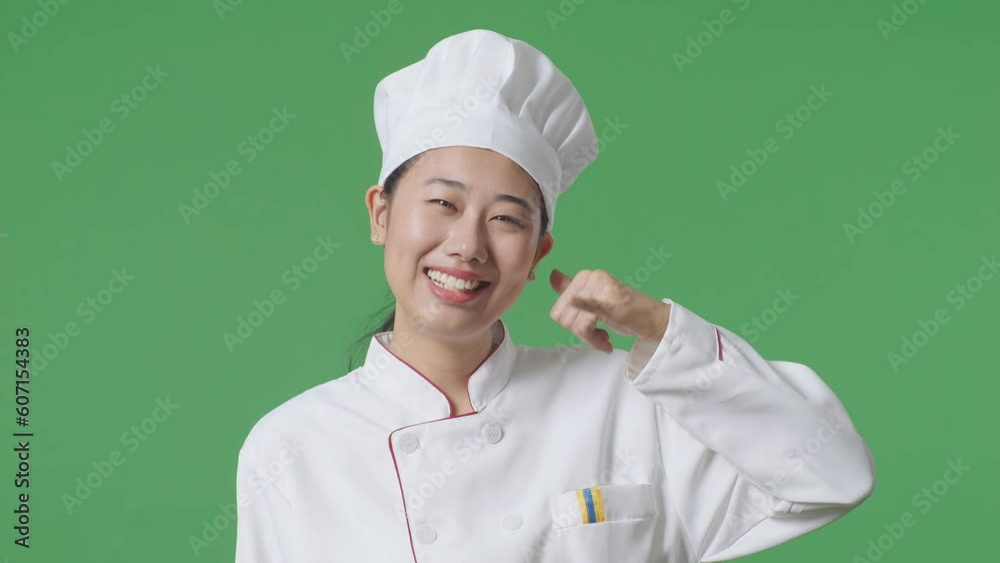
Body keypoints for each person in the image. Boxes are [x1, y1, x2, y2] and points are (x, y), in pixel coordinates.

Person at [235, 29, 876, 563]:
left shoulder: (631, 406)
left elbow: (831, 473)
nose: (467, 245)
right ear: (381, 214)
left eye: (505, 219)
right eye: (442, 203)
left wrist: (657, 326)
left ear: (538, 254)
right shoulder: (293, 447)